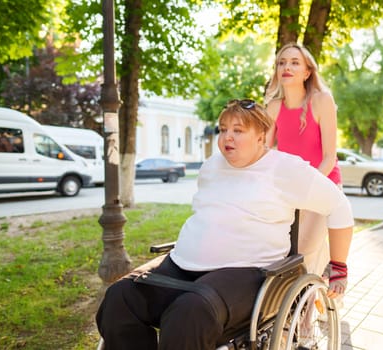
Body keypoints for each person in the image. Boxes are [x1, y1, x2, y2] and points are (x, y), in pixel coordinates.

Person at [96, 99, 354, 350]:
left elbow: (338, 206)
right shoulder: (211, 166)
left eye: (238, 130)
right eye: (223, 129)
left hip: (249, 272)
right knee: (120, 298)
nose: (227, 137)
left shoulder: (286, 169)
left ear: (261, 136)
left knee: (189, 313)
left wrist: (338, 265)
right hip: (182, 264)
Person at [264, 43, 353, 296]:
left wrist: (305, 190)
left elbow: (329, 157)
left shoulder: (322, 100)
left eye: (294, 62)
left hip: (322, 182)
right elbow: (266, 155)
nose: (287, 67)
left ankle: (304, 318)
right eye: (282, 62)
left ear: (307, 72)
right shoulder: (273, 107)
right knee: (280, 250)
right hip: (291, 189)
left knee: (304, 249)